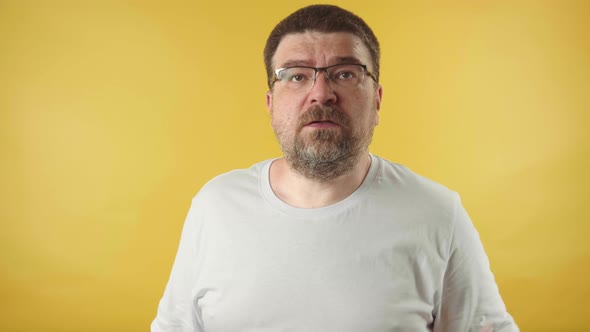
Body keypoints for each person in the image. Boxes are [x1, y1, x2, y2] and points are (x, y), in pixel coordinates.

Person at [151, 4, 519, 332]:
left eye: (344, 73)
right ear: (270, 103)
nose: (321, 92)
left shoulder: (438, 214)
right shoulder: (215, 206)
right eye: (296, 75)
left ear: (376, 100)